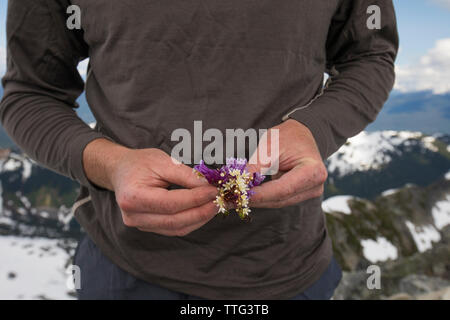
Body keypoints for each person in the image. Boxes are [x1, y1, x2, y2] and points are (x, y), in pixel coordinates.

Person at [0, 0, 398, 300]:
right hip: (123, 270)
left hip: (292, 269)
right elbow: (31, 93)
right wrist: (110, 165)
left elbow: (369, 54)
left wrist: (314, 129)